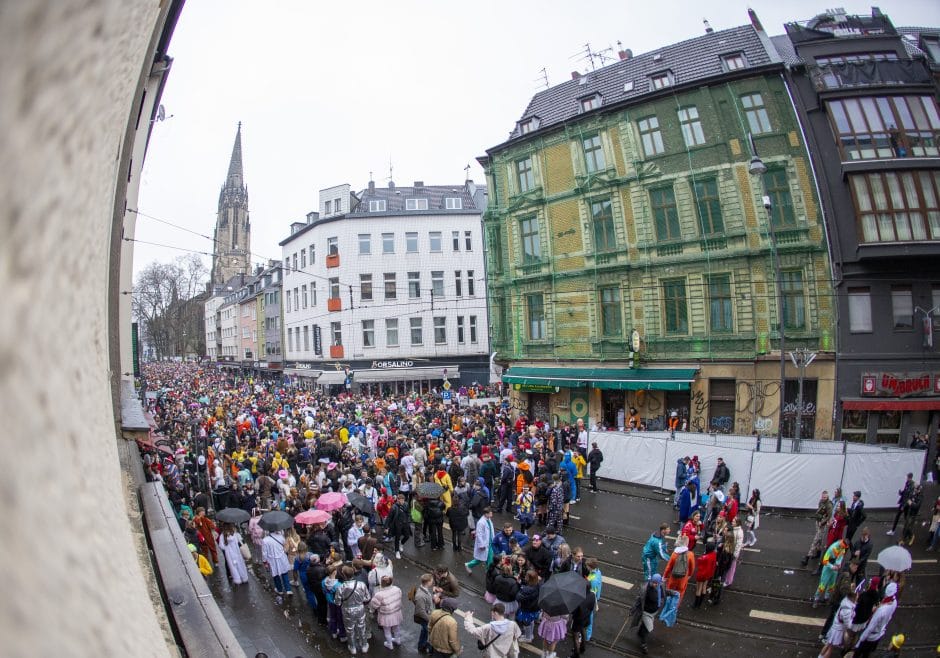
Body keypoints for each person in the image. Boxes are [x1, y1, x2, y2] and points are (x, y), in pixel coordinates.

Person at [853, 582, 898, 657]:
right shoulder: (894, 602)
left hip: (870, 637)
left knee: (858, 654)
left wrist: (860, 641)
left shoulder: (881, 611)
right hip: (878, 635)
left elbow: (870, 627)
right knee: (866, 655)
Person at [634, 573, 672, 655]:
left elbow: (663, 593)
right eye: (653, 582)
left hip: (654, 612)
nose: (654, 584)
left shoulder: (660, 586)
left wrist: (671, 593)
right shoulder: (647, 589)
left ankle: (640, 633)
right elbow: (639, 599)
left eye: (656, 583)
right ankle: (643, 644)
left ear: (659, 582)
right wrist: (633, 609)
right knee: (648, 628)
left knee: (645, 626)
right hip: (646, 612)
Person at [819, 588, 857, 658]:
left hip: (835, 627)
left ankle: (820, 657)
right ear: (853, 597)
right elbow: (848, 624)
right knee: (830, 648)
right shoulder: (847, 609)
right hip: (838, 630)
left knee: (828, 645)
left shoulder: (845, 602)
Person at [369, 575, 403, 650]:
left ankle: (389, 644)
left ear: (381, 583)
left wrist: (371, 611)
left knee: (387, 630)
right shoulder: (397, 589)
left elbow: (374, 605)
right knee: (396, 628)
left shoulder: (379, 594)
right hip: (396, 613)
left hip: (386, 616)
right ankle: (398, 640)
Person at [813, 539, 849, 608]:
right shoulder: (832, 548)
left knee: (831, 585)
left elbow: (840, 557)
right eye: (843, 547)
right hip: (827, 568)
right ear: (841, 544)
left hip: (835, 569)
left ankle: (826, 597)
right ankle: (816, 599)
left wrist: (839, 564)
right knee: (822, 585)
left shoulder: (843, 549)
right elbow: (824, 560)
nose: (844, 549)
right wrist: (832, 566)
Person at [801, 490, 833, 568]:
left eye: (825, 497)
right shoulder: (821, 502)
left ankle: (807, 557)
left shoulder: (829, 505)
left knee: (816, 540)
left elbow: (829, 516)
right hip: (818, 522)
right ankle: (818, 553)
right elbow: (819, 511)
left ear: (827, 497)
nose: (823, 498)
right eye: (822, 497)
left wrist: (822, 522)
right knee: (820, 539)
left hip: (822, 524)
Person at [568, 580, 596, 658]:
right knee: (583, 631)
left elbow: (573, 611)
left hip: (578, 620)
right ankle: (583, 647)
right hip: (586, 618)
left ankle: (576, 654)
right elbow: (591, 607)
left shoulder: (578, 599)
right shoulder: (592, 595)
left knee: (575, 637)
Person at [663, 535, 695, 601]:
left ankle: (668, 604)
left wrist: (664, 577)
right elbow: (692, 567)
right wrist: (689, 575)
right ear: (687, 543)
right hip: (683, 578)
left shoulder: (674, 554)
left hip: (673, 577)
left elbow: (668, 567)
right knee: (680, 593)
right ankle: (675, 607)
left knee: (669, 592)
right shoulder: (690, 554)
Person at [261, 529, 292, 596]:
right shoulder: (281, 537)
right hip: (282, 558)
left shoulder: (265, 540)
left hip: (272, 560)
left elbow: (264, 553)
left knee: (275, 575)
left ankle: (280, 590)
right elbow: (285, 546)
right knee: (284, 573)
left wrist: (264, 561)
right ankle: (288, 590)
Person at [466, 507, 495, 574]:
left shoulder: (488, 519)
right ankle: (468, 565)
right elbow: (479, 535)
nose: (492, 514)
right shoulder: (481, 522)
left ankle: (488, 570)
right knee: (480, 559)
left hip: (490, 542)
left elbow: (491, 530)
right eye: (490, 513)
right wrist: (481, 545)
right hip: (484, 544)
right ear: (486, 514)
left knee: (490, 558)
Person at [515, 570, 541, 644]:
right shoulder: (537, 585)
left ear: (529, 578)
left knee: (526, 623)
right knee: (531, 621)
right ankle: (530, 635)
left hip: (527, 609)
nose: (525, 577)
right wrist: (522, 583)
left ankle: (528, 638)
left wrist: (518, 585)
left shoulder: (527, 589)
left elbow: (518, 597)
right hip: (534, 608)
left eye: (526, 576)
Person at [413, 573, 435, 654]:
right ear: (428, 582)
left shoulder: (423, 589)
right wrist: (430, 619)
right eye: (431, 581)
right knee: (426, 631)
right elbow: (420, 611)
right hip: (425, 618)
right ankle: (422, 646)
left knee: (424, 631)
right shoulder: (420, 596)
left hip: (426, 616)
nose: (432, 582)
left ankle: (422, 644)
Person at [691, 540, 717, 608]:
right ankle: (700, 603)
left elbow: (699, 562)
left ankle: (696, 604)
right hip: (708, 574)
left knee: (698, 589)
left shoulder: (704, 557)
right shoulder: (714, 554)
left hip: (702, 574)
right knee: (704, 587)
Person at [386, 492, 412, 559]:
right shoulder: (394, 507)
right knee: (397, 538)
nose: (402, 501)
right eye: (401, 500)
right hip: (397, 525)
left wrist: (408, 520)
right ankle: (397, 551)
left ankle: (402, 544)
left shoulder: (406, 504)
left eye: (403, 500)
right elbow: (389, 517)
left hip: (405, 523)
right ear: (397, 500)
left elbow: (408, 513)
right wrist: (386, 527)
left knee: (407, 536)